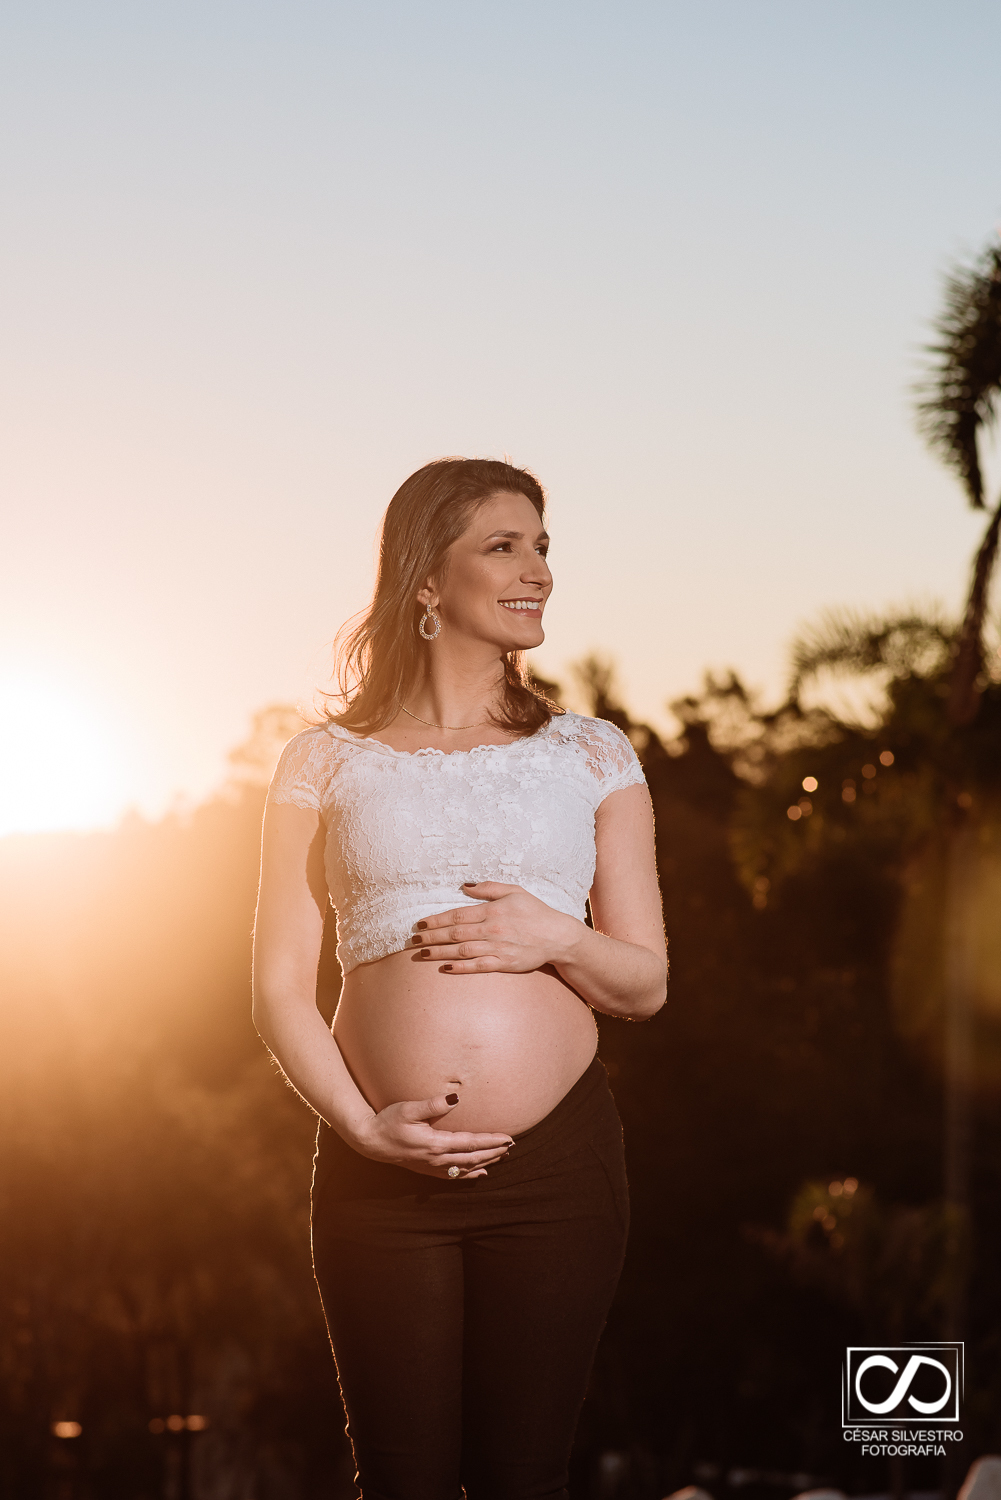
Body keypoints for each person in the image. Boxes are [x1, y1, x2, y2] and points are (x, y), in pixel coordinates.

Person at [252, 457, 667, 1500]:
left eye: (541, 547)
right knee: (401, 1483)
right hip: (376, 1171)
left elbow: (644, 982)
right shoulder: (321, 763)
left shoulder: (591, 755)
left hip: (557, 1173)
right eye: (502, 545)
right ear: (424, 582)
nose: (537, 571)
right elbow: (272, 988)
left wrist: (551, 937)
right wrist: (358, 1127)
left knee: (523, 1479)